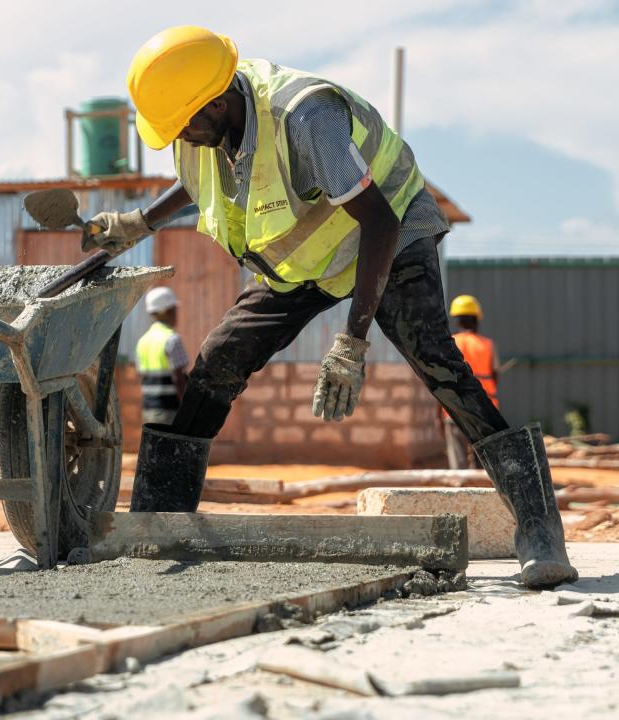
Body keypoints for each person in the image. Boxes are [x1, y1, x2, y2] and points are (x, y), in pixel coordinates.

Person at [81, 26, 576, 587]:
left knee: (441, 366)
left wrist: (353, 340)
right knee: (220, 358)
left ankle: (539, 530)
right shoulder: (198, 128)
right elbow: (198, 182)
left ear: (216, 102)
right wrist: (138, 222)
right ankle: (158, 522)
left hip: (389, 236)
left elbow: (379, 220)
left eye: (186, 125)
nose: (182, 139)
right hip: (306, 261)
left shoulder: (305, 119)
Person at [443, 295, 500, 469]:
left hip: (454, 409)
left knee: (458, 463)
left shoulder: (450, 344)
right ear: (476, 319)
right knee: (484, 463)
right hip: (485, 410)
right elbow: (495, 376)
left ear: (457, 319)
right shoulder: (488, 345)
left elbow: (441, 378)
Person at [136, 287, 189, 426]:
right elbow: (178, 379)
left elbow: (142, 377)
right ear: (168, 310)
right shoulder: (172, 339)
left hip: (149, 410)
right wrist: (188, 409)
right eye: (175, 309)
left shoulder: (143, 341)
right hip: (169, 411)